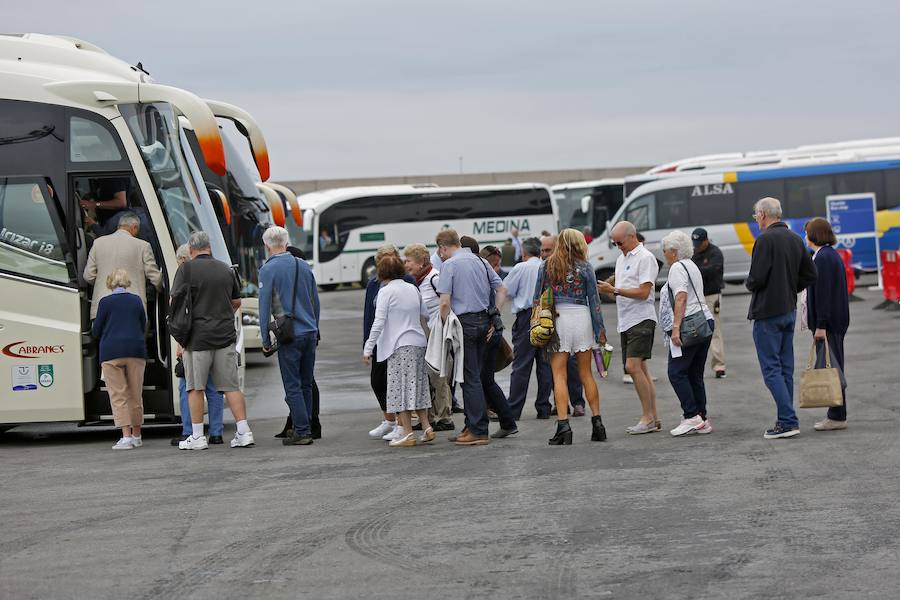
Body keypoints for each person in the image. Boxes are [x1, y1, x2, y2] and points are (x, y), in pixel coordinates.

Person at [173, 231, 255, 450]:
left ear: (191, 249)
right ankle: (243, 432)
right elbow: (237, 300)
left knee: (195, 387)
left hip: (197, 338)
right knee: (230, 387)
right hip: (224, 336)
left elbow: (176, 301)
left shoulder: (186, 270)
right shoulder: (226, 269)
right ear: (209, 247)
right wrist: (221, 312)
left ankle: (198, 436)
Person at [746, 197, 817, 440]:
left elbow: (756, 278)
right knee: (785, 368)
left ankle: (787, 420)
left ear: (764, 215)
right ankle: (785, 419)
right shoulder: (796, 238)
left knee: (771, 369)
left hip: (767, 312)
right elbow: (810, 274)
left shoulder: (764, 240)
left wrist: (751, 283)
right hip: (788, 310)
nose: (756, 218)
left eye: (756, 214)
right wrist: (790, 287)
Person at [534, 229, 606, 445]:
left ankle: (564, 426)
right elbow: (594, 301)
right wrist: (600, 331)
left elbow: (537, 299)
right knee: (586, 373)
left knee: (559, 375)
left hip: (558, 318)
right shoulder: (585, 267)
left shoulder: (547, 265)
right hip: (582, 317)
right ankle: (597, 423)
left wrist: (537, 326)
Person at [436, 228, 502, 445]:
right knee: (474, 376)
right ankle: (472, 425)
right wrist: (495, 315)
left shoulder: (449, 265)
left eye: (440, 250)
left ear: (444, 247)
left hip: (463, 323)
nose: (440, 255)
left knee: (469, 377)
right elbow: (502, 289)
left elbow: (444, 302)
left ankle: (479, 429)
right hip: (484, 321)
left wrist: (444, 326)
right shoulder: (480, 262)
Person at [259, 226, 321, 446]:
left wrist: (266, 341)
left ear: (267, 246)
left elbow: (264, 307)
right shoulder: (303, 265)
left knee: (292, 384)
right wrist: (315, 326)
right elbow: (316, 301)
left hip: (289, 334)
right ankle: (307, 427)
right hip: (309, 331)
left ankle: (301, 430)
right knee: (306, 382)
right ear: (286, 243)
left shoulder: (267, 270)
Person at [363, 255, 432, 447]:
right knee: (418, 386)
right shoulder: (412, 288)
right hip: (419, 342)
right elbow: (425, 313)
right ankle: (426, 427)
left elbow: (378, 322)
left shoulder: (386, 291)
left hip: (399, 345)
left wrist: (368, 348)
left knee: (399, 390)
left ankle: (408, 434)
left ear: (382, 272)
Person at [598, 221, 660, 435]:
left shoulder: (645, 258)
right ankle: (654, 417)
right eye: (615, 243)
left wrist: (614, 290)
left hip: (641, 318)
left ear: (633, 237)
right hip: (627, 320)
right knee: (641, 368)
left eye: (620, 242)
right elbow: (620, 286)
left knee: (632, 367)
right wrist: (606, 287)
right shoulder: (622, 258)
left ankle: (648, 417)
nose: (618, 246)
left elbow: (644, 292)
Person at [659, 231, 716, 436]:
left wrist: (675, 328)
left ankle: (691, 416)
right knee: (694, 373)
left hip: (688, 324)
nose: (664, 255)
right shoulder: (692, 265)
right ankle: (701, 417)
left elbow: (681, 297)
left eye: (665, 251)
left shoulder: (676, 268)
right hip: (704, 320)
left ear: (673, 252)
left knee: (676, 372)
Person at [169, 244, 224, 447]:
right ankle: (216, 432)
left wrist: (180, 343)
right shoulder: (214, 275)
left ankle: (189, 430)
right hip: (217, 338)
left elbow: (180, 316)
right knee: (214, 387)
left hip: (194, 341)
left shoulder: (185, 279)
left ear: (184, 260)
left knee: (188, 387)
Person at [495, 237, 553, 419]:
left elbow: (505, 290)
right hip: (546, 315)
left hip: (527, 317)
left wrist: (495, 313)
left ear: (525, 252)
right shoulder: (548, 266)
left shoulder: (521, 268)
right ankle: (543, 407)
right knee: (545, 365)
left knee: (521, 365)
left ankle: (514, 409)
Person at [91, 269, 147, 450]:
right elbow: (143, 324)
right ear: (126, 282)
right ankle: (137, 435)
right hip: (136, 351)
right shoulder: (136, 300)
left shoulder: (105, 302)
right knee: (135, 394)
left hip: (111, 352)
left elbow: (96, 330)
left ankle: (126, 437)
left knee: (118, 395)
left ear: (110, 283)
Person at [804, 217, 850, 431]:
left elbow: (823, 295)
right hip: (836, 321)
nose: (805, 237)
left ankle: (837, 416)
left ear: (814, 234)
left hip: (829, 323)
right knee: (834, 366)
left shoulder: (822, 258)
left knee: (833, 369)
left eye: (807, 233)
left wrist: (820, 325)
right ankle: (837, 414)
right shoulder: (831, 255)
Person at [403, 243, 454, 431]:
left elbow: (447, 302)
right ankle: (432, 416)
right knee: (429, 376)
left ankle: (445, 417)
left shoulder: (434, 278)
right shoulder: (417, 281)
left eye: (408, 261)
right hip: (426, 335)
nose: (405, 264)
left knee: (439, 375)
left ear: (421, 262)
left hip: (437, 333)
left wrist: (441, 326)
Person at [83, 211, 162, 320]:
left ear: (119, 226)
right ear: (134, 227)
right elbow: (155, 278)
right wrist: (160, 290)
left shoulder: (98, 243)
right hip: (132, 310)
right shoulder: (143, 246)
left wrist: (105, 282)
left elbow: (88, 276)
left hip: (101, 308)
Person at [541, 234, 586, 415]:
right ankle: (561, 404)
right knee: (554, 366)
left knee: (572, 366)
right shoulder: (546, 267)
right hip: (552, 322)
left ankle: (577, 403)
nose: (544, 254)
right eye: (542, 250)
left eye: (548, 250)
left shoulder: (575, 268)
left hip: (571, 321)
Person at [478, 245, 518, 438]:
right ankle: (504, 421)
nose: (498, 269)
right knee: (484, 380)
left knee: (484, 380)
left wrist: (494, 317)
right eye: (495, 265)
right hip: (492, 329)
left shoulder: (485, 278)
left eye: (498, 265)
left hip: (489, 331)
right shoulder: (488, 277)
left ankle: (505, 421)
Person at [691, 227, 727, 378]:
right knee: (693, 331)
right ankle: (693, 364)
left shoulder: (715, 253)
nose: (697, 246)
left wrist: (696, 271)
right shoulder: (693, 254)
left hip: (712, 296)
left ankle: (719, 365)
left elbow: (712, 270)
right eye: (695, 243)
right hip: (696, 297)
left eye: (699, 243)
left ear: (706, 240)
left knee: (714, 331)